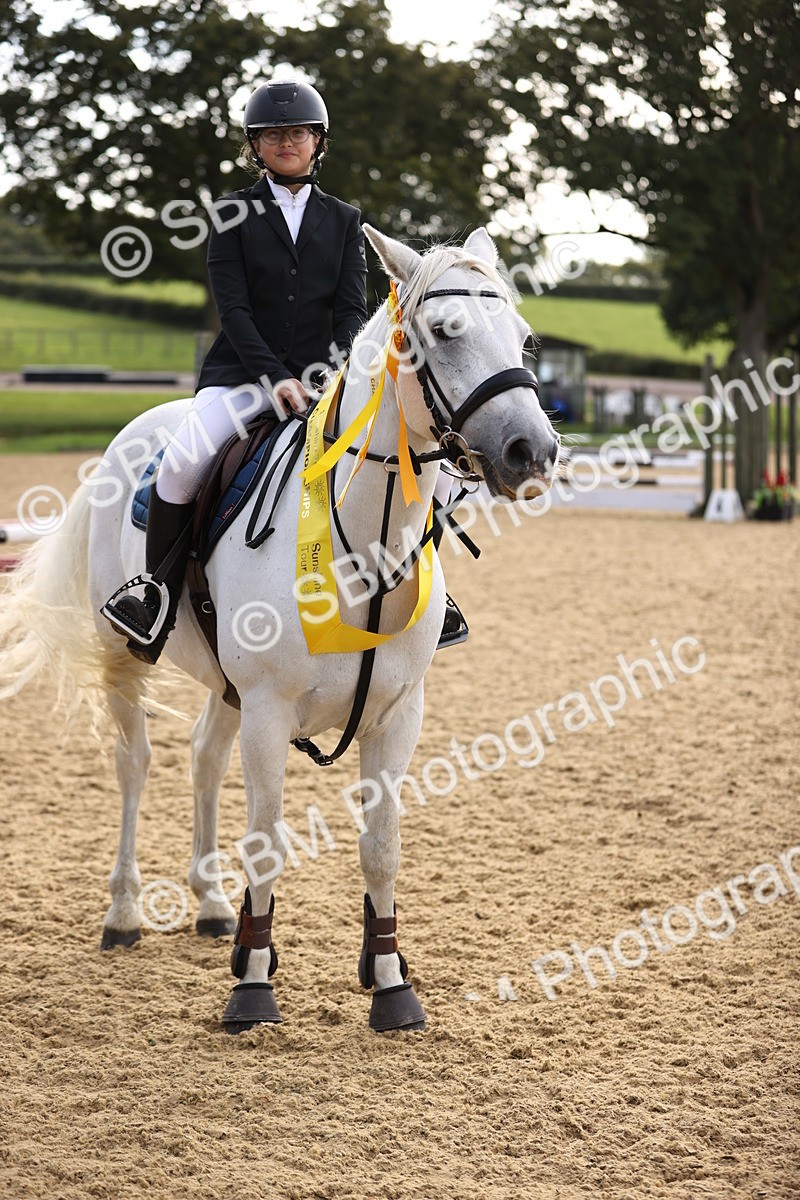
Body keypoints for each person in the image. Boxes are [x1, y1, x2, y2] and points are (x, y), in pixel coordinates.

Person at [102, 77, 468, 663]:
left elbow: (351, 310)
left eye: (297, 133)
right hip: (240, 377)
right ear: (256, 145)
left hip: (327, 379)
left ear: (317, 142)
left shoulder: (346, 220)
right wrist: (274, 377)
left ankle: (429, 595)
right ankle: (154, 595)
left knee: (438, 474)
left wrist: (331, 373)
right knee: (181, 464)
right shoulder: (230, 214)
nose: (286, 142)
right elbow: (235, 309)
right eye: (273, 134)